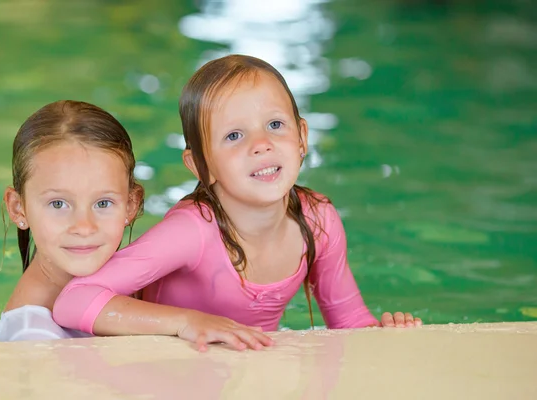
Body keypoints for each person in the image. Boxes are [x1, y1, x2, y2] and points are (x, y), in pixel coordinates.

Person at [53, 55, 422, 352]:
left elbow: (349, 322)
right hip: (163, 369)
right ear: (201, 165)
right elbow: (73, 301)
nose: (261, 144)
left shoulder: (318, 219)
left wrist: (384, 332)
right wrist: (185, 322)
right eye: (234, 135)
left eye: (275, 125)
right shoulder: (193, 231)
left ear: (302, 138)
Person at [0, 100, 145, 341]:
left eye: (103, 203)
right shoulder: (33, 336)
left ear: (130, 205)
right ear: (18, 208)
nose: (84, 227)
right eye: (58, 204)